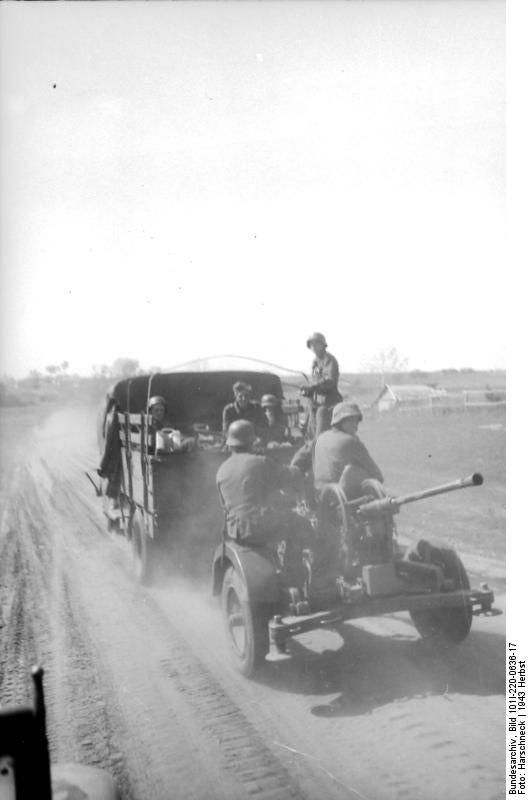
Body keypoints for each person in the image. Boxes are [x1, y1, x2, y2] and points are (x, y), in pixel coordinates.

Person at [216, 420, 312, 568]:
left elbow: (225, 506)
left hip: (236, 530)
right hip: (259, 525)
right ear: (252, 442)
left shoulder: (222, 470)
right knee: (301, 524)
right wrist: (300, 468)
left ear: (230, 444)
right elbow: (288, 476)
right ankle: (292, 574)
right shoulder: (260, 463)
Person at [313, 401, 383, 499]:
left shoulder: (320, 438)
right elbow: (377, 475)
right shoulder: (350, 441)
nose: (356, 425)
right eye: (351, 421)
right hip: (340, 496)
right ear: (340, 421)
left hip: (320, 494)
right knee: (358, 472)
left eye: (357, 421)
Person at [300, 332, 342, 439]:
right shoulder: (315, 362)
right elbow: (315, 380)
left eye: (315, 344)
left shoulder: (329, 360)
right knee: (309, 431)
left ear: (323, 345)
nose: (313, 347)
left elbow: (330, 380)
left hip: (330, 402)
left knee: (320, 434)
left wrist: (313, 387)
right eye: (311, 345)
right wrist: (308, 391)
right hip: (316, 402)